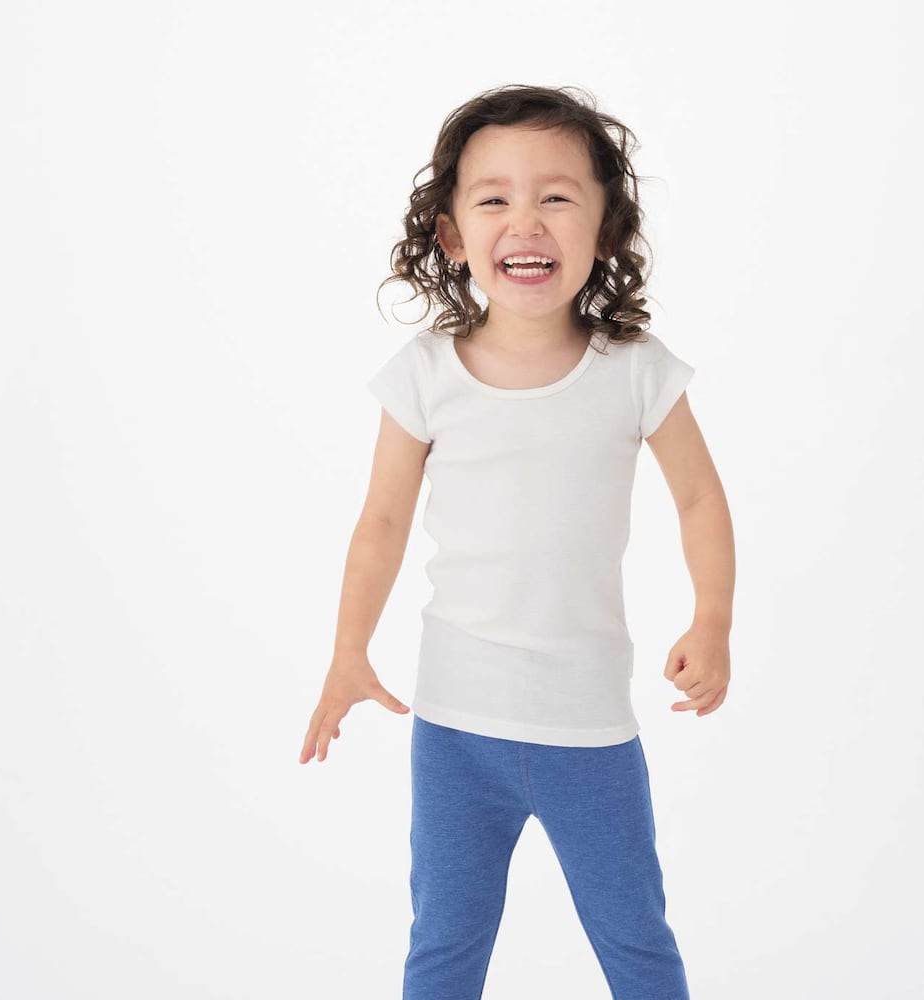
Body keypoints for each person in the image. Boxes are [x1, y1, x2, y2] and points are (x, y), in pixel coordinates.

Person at [299, 83, 734, 1000]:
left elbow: (699, 498)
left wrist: (712, 619)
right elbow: (380, 522)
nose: (525, 220)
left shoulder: (637, 370)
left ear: (606, 229)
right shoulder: (423, 374)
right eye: (494, 197)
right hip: (456, 731)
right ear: (453, 235)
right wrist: (347, 650)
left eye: (557, 196)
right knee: (444, 946)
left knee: (637, 941)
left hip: (590, 730)